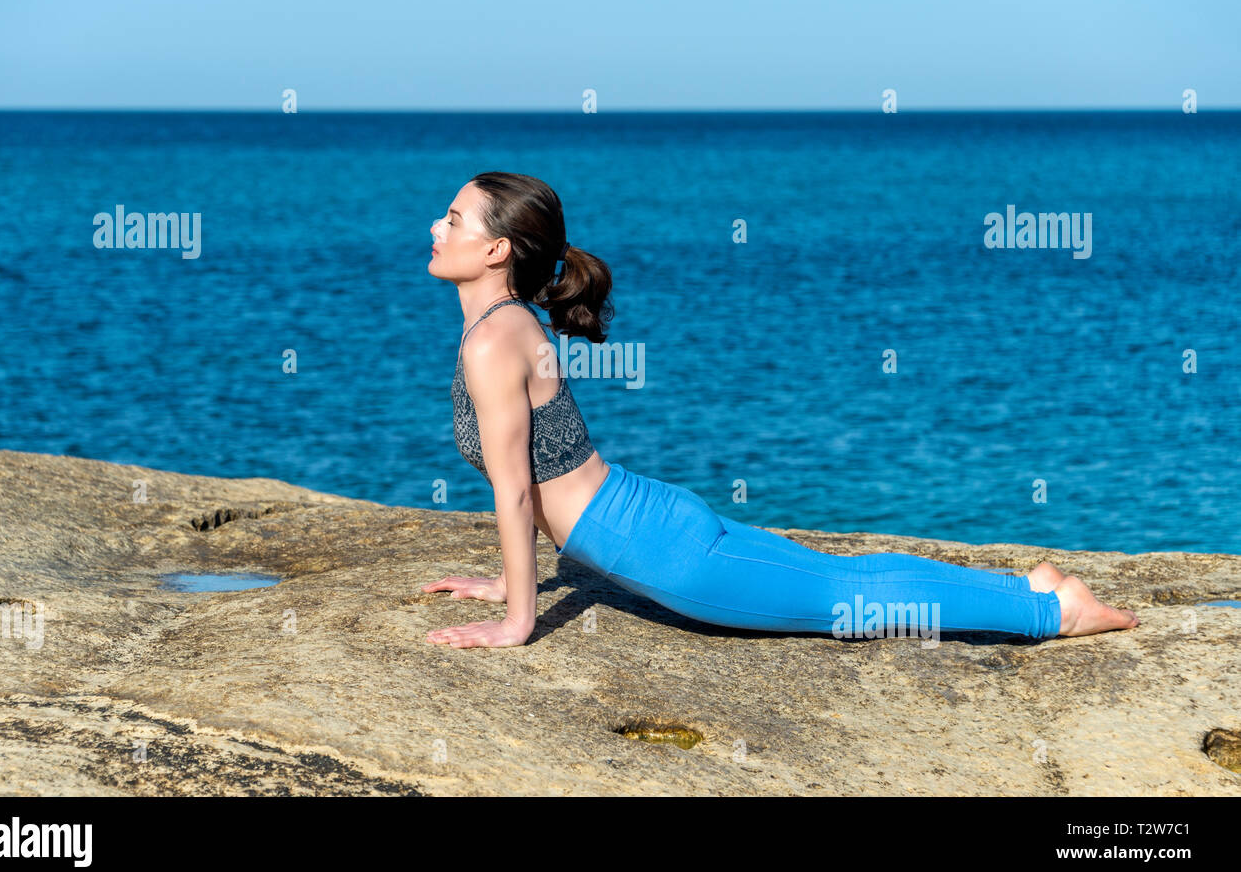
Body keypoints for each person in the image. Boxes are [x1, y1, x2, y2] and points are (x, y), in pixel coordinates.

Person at [422, 171, 1140, 648]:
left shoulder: (494, 340)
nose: (437, 226)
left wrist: (519, 618)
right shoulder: (507, 324)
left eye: (453, 219)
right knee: (844, 576)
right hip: (646, 516)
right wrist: (513, 578)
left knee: (848, 602)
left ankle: (1050, 612)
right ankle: (1032, 587)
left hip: (662, 551)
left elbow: (519, 487)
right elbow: (536, 477)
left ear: (495, 249)